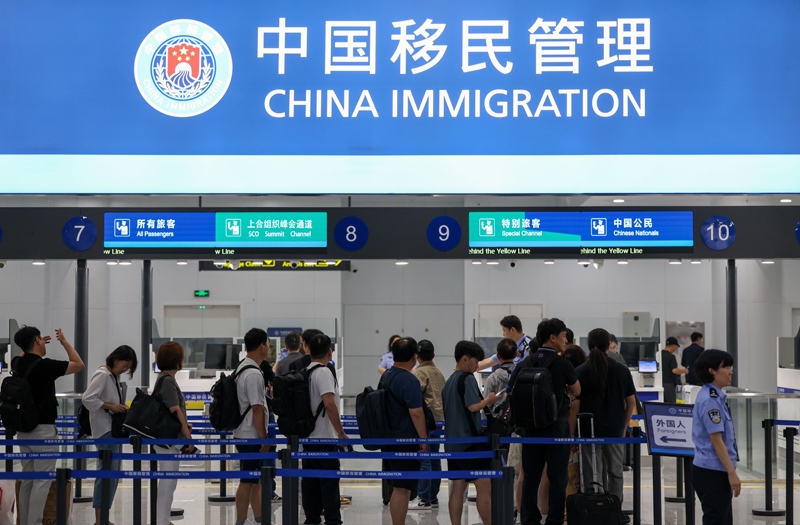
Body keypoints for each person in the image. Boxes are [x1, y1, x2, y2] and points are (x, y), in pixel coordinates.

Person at [507, 318, 580, 525]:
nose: (565, 340)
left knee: (531, 477)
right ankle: (554, 519)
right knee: (558, 477)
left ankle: (530, 518)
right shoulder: (562, 363)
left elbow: (510, 389)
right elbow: (577, 390)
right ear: (552, 337)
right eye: (563, 336)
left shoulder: (525, 362)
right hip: (556, 426)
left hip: (530, 427)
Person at [12, 327, 85, 525]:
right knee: (42, 480)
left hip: (23, 430)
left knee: (27, 479)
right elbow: (79, 364)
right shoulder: (45, 366)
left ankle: (25, 521)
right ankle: (34, 522)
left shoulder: (17, 362)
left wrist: (29, 345)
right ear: (37, 340)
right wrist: (64, 341)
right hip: (43, 430)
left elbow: (23, 355)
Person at [573, 329, 636, 522]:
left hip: (588, 430)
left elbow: (575, 405)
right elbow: (631, 402)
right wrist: (624, 427)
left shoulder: (580, 371)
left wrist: (573, 432)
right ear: (609, 345)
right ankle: (614, 510)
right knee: (615, 472)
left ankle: (594, 510)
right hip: (614, 430)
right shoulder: (621, 370)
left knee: (592, 473)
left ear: (588, 345)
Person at [442, 341, 500, 525]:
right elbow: (473, 406)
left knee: (457, 488)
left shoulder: (449, 381)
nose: (477, 366)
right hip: (470, 443)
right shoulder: (467, 378)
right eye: (475, 362)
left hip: (452, 444)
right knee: (484, 486)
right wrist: (489, 400)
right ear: (465, 359)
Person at [82, 345, 137, 525]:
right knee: (107, 474)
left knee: (112, 475)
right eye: (124, 365)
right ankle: (100, 520)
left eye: (127, 368)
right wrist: (111, 406)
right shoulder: (103, 374)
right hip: (105, 430)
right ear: (116, 359)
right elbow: (88, 398)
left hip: (112, 429)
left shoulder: (112, 376)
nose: (124, 370)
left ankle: (103, 518)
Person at [380, 337, 429, 525]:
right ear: (414, 356)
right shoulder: (408, 379)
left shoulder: (387, 375)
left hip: (389, 438)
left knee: (398, 487)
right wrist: (423, 440)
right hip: (405, 440)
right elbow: (416, 412)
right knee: (402, 488)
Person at [302, 333, 348, 525]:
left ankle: (312, 519)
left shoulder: (306, 372)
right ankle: (332, 520)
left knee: (310, 481)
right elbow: (329, 403)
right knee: (329, 481)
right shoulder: (324, 372)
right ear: (330, 351)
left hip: (308, 436)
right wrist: (340, 432)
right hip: (325, 437)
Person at [692, 349, 740, 524]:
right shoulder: (710, 400)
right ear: (711, 370)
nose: (730, 371)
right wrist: (732, 473)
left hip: (714, 469)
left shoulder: (715, 396)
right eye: (725, 367)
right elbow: (716, 439)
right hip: (712, 472)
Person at [153, 341, 197, 525]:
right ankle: (162, 521)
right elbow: (175, 409)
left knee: (168, 482)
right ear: (176, 359)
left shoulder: (165, 379)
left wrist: (185, 426)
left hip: (167, 438)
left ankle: (163, 519)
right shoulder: (168, 381)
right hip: (168, 440)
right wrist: (188, 437)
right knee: (167, 482)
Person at [233, 328, 271, 525]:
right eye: (268, 344)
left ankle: (260, 518)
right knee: (247, 481)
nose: (269, 348)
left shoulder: (242, 367)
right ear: (262, 346)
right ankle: (240, 521)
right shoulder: (253, 373)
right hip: (251, 435)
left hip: (244, 432)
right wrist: (263, 436)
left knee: (255, 479)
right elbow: (257, 407)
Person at [409, 339, 445, 510]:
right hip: (439, 421)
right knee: (435, 458)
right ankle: (432, 496)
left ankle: (423, 498)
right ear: (433, 355)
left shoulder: (418, 373)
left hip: (425, 422)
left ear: (417, 356)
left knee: (424, 458)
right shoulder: (439, 373)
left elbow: (415, 400)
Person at [662, 337, 688, 403]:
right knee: (671, 404)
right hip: (669, 385)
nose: (675, 348)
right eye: (676, 347)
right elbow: (675, 370)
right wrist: (685, 371)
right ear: (673, 345)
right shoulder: (671, 356)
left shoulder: (659, 354)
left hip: (659, 383)